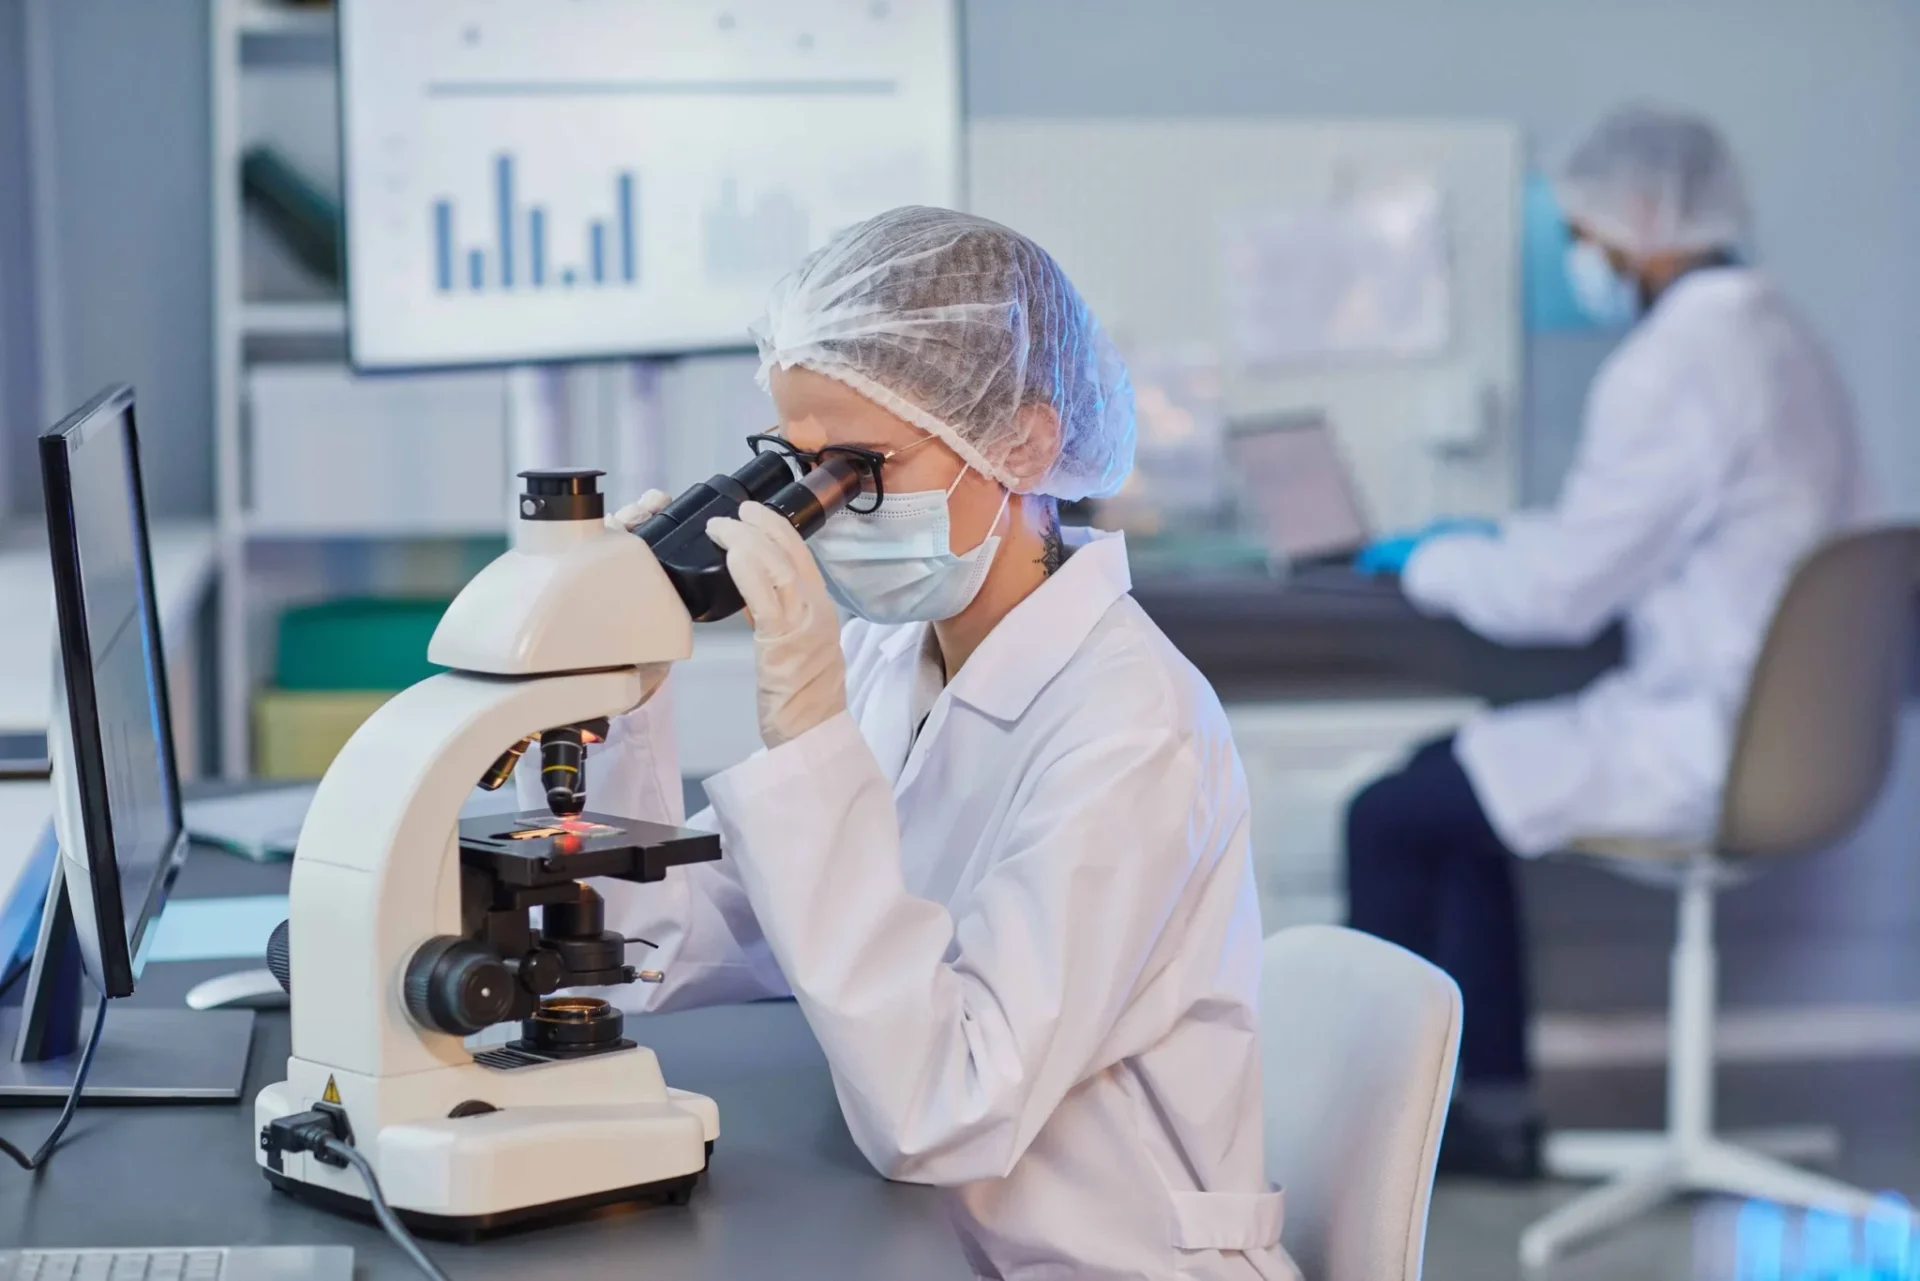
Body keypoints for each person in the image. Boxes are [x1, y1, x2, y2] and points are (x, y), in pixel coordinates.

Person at [528, 207, 1298, 1280]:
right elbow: (662, 947)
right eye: (797, 466)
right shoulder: (902, 661)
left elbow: (945, 1110)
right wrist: (629, 692)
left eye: (860, 463)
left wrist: (807, 741)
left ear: (1021, 442)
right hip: (923, 1237)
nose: (822, 510)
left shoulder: (1134, 729)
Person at [1345, 106, 1868, 1179]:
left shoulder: (1676, 361)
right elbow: (1644, 534)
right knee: (1451, 805)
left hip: (1703, 738)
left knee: (1393, 814)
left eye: (1584, 233)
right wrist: (1504, 540)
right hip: (1800, 739)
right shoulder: (1783, 337)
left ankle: (1375, 1137)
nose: (1579, 257)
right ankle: (1482, 1117)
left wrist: (1432, 561)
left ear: (1641, 218)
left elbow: (1562, 596)